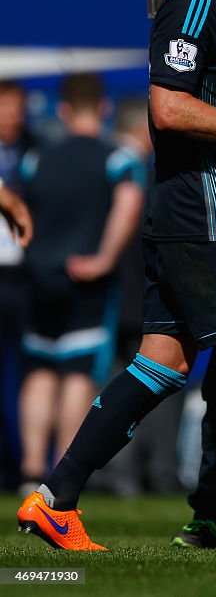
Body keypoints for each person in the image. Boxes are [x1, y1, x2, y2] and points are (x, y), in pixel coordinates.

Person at [16, 0, 216, 551]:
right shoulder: (196, 1)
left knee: (160, 364)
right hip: (202, 212)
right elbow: (167, 108)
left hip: (196, 212)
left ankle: (55, 497)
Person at [15, 74, 146, 498]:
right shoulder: (115, 159)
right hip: (86, 277)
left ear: (63, 109)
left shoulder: (37, 158)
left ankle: (30, 468)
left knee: (38, 371)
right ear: (104, 109)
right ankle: (58, 472)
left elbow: (15, 207)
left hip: (40, 275)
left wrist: (32, 254)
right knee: (76, 374)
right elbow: (129, 203)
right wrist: (105, 258)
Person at [0, 80, 34, 491]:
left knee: (18, 376)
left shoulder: (33, 152)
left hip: (19, 278)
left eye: (17, 109)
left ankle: (18, 468)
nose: (13, 117)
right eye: (5, 108)